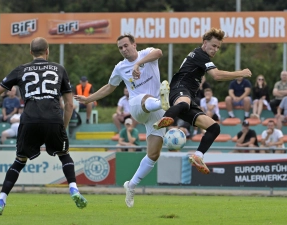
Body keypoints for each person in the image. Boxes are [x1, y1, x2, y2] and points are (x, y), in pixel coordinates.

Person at [0, 37, 87, 215]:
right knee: (64, 154)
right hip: (53, 118)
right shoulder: (59, 69)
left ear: (31, 52)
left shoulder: (21, 69)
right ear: (48, 51)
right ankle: (73, 189)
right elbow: (69, 105)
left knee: (19, 161)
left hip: (30, 119)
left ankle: (1, 200)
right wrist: (63, 127)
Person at [74, 34, 168, 208]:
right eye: (120, 48)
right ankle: (164, 104)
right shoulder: (120, 67)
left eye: (126, 46)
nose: (123, 50)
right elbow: (110, 87)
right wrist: (88, 99)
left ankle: (131, 185)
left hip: (156, 110)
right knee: (146, 98)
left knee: (153, 155)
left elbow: (159, 52)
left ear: (134, 45)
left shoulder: (146, 53)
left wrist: (139, 63)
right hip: (137, 106)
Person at [153, 28, 252, 173]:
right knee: (184, 103)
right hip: (179, 89)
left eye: (218, 47)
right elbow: (217, 76)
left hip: (188, 99)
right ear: (205, 43)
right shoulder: (200, 54)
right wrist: (240, 73)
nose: (215, 49)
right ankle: (165, 117)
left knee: (214, 128)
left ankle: (198, 156)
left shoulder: (201, 57)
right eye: (213, 45)